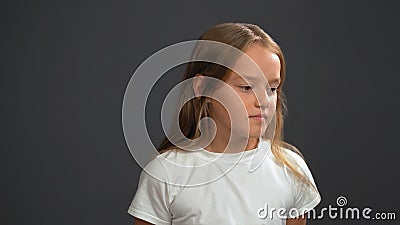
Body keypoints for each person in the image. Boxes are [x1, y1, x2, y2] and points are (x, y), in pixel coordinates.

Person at [127, 22, 321, 225]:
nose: (263, 101)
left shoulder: (291, 169)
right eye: (246, 87)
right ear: (204, 87)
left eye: (272, 89)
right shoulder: (166, 173)